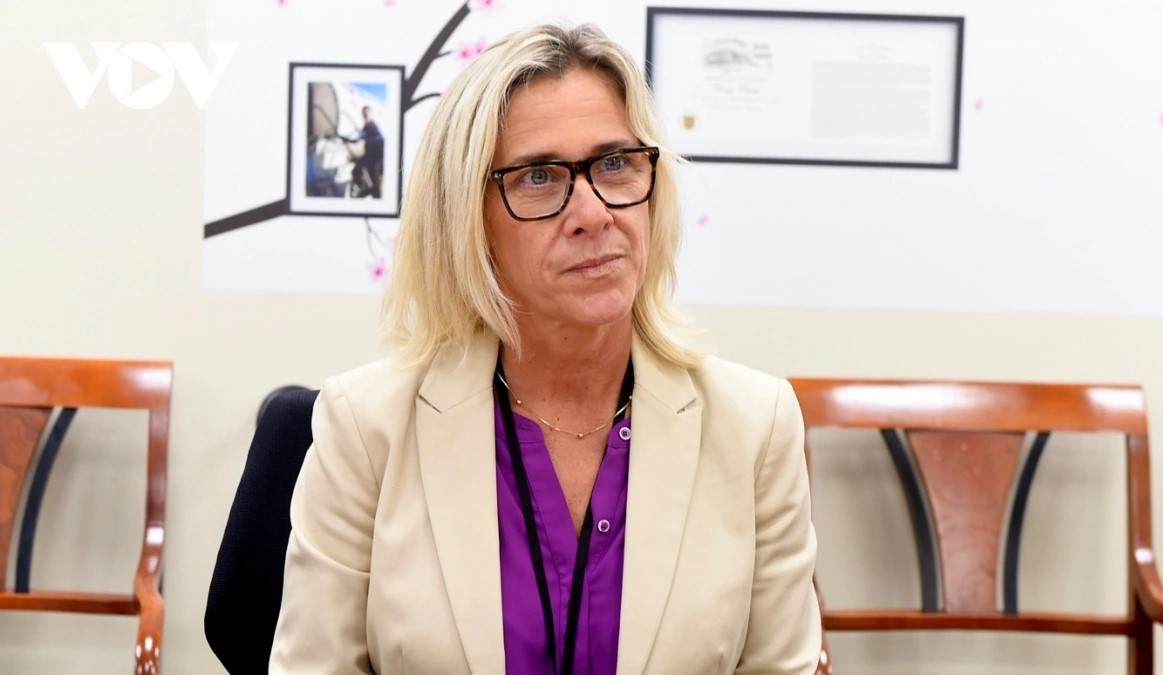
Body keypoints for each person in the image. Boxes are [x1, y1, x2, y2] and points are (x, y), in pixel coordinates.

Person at [269, 22, 821, 675]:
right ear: (468, 219)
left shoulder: (756, 426)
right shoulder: (367, 427)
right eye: (539, 176)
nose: (593, 213)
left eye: (615, 164)